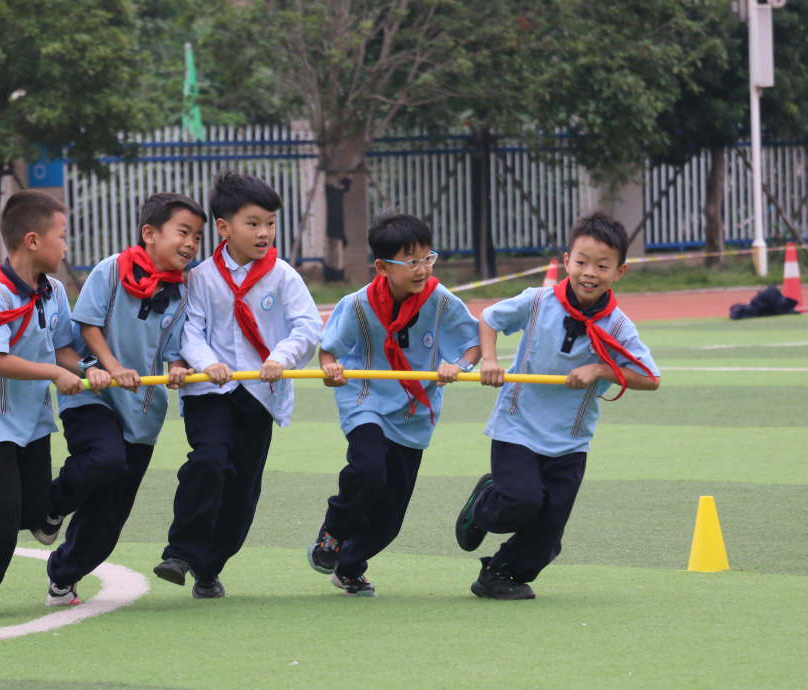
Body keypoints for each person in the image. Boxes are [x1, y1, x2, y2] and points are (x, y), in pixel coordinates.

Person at [454, 211, 660, 600]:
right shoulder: (537, 301)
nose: (589, 273)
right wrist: (492, 360)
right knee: (521, 501)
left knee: (550, 524)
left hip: (571, 437)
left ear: (619, 272)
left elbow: (650, 377)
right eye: (581, 262)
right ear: (566, 261)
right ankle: (484, 505)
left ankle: (500, 574)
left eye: (602, 265)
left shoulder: (618, 326)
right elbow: (488, 320)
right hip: (518, 425)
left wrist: (602, 368)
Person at [154, 170, 322, 598]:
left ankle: (210, 568)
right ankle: (179, 553)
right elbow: (189, 329)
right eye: (253, 223)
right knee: (210, 460)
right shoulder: (200, 277)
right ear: (225, 228)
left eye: (270, 222)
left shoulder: (283, 276)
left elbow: (307, 326)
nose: (264, 232)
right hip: (210, 393)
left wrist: (280, 357)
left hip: (258, 394)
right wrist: (207, 363)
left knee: (242, 489)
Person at [42, 192, 206, 607]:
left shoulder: (184, 291)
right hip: (93, 396)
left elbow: (176, 346)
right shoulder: (112, 270)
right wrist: (111, 367)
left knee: (109, 518)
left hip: (143, 414)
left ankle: (63, 575)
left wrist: (179, 367)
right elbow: (89, 323)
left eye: (198, 237)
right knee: (104, 458)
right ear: (149, 233)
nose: (191, 244)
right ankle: (51, 505)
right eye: (183, 232)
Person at [311, 212, 481, 597]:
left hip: (414, 411)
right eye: (410, 261)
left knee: (389, 522)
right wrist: (330, 369)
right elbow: (328, 350)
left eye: (426, 258)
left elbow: (472, 343)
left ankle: (350, 567)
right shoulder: (358, 304)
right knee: (368, 470)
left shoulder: (440, 301)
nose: (421, 269)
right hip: (366, 399)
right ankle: (332, 534)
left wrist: (460, 365)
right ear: (382, 267)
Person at [0, 190, 90, 619]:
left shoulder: (54, 292)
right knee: (3, 511)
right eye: (61, 236)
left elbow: (64, 349)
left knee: (33, 510)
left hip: (31, 418)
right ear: (32, 240)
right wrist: (55, 374)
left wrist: (89, 369)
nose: (66, 246)